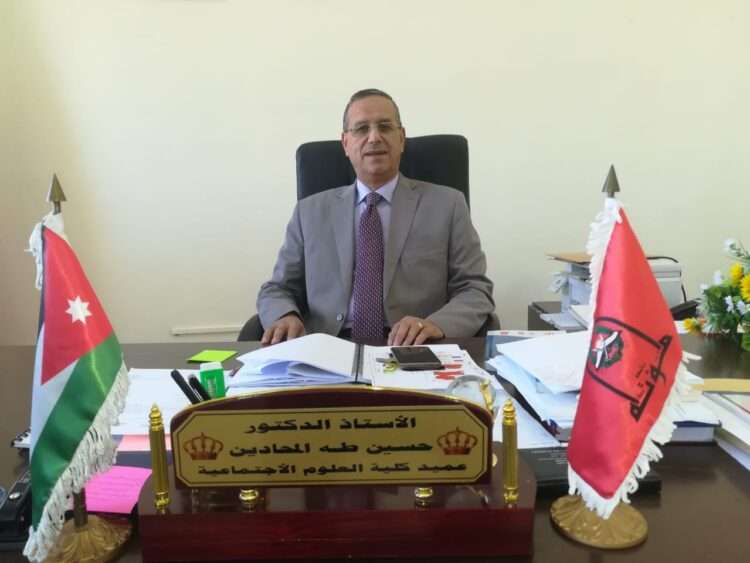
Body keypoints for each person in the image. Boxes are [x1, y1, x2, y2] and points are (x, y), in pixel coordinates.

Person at [257, 88, 494, 345]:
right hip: (326, 347)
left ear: (401, 138)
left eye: (385, 127)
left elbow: (475, 289)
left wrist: (437, 324)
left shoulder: (448, 205)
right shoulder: (309, 212)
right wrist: (285, 316)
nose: (374, 138)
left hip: (413, 346)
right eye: (361, 129)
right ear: (345, 144)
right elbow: (277, 289)